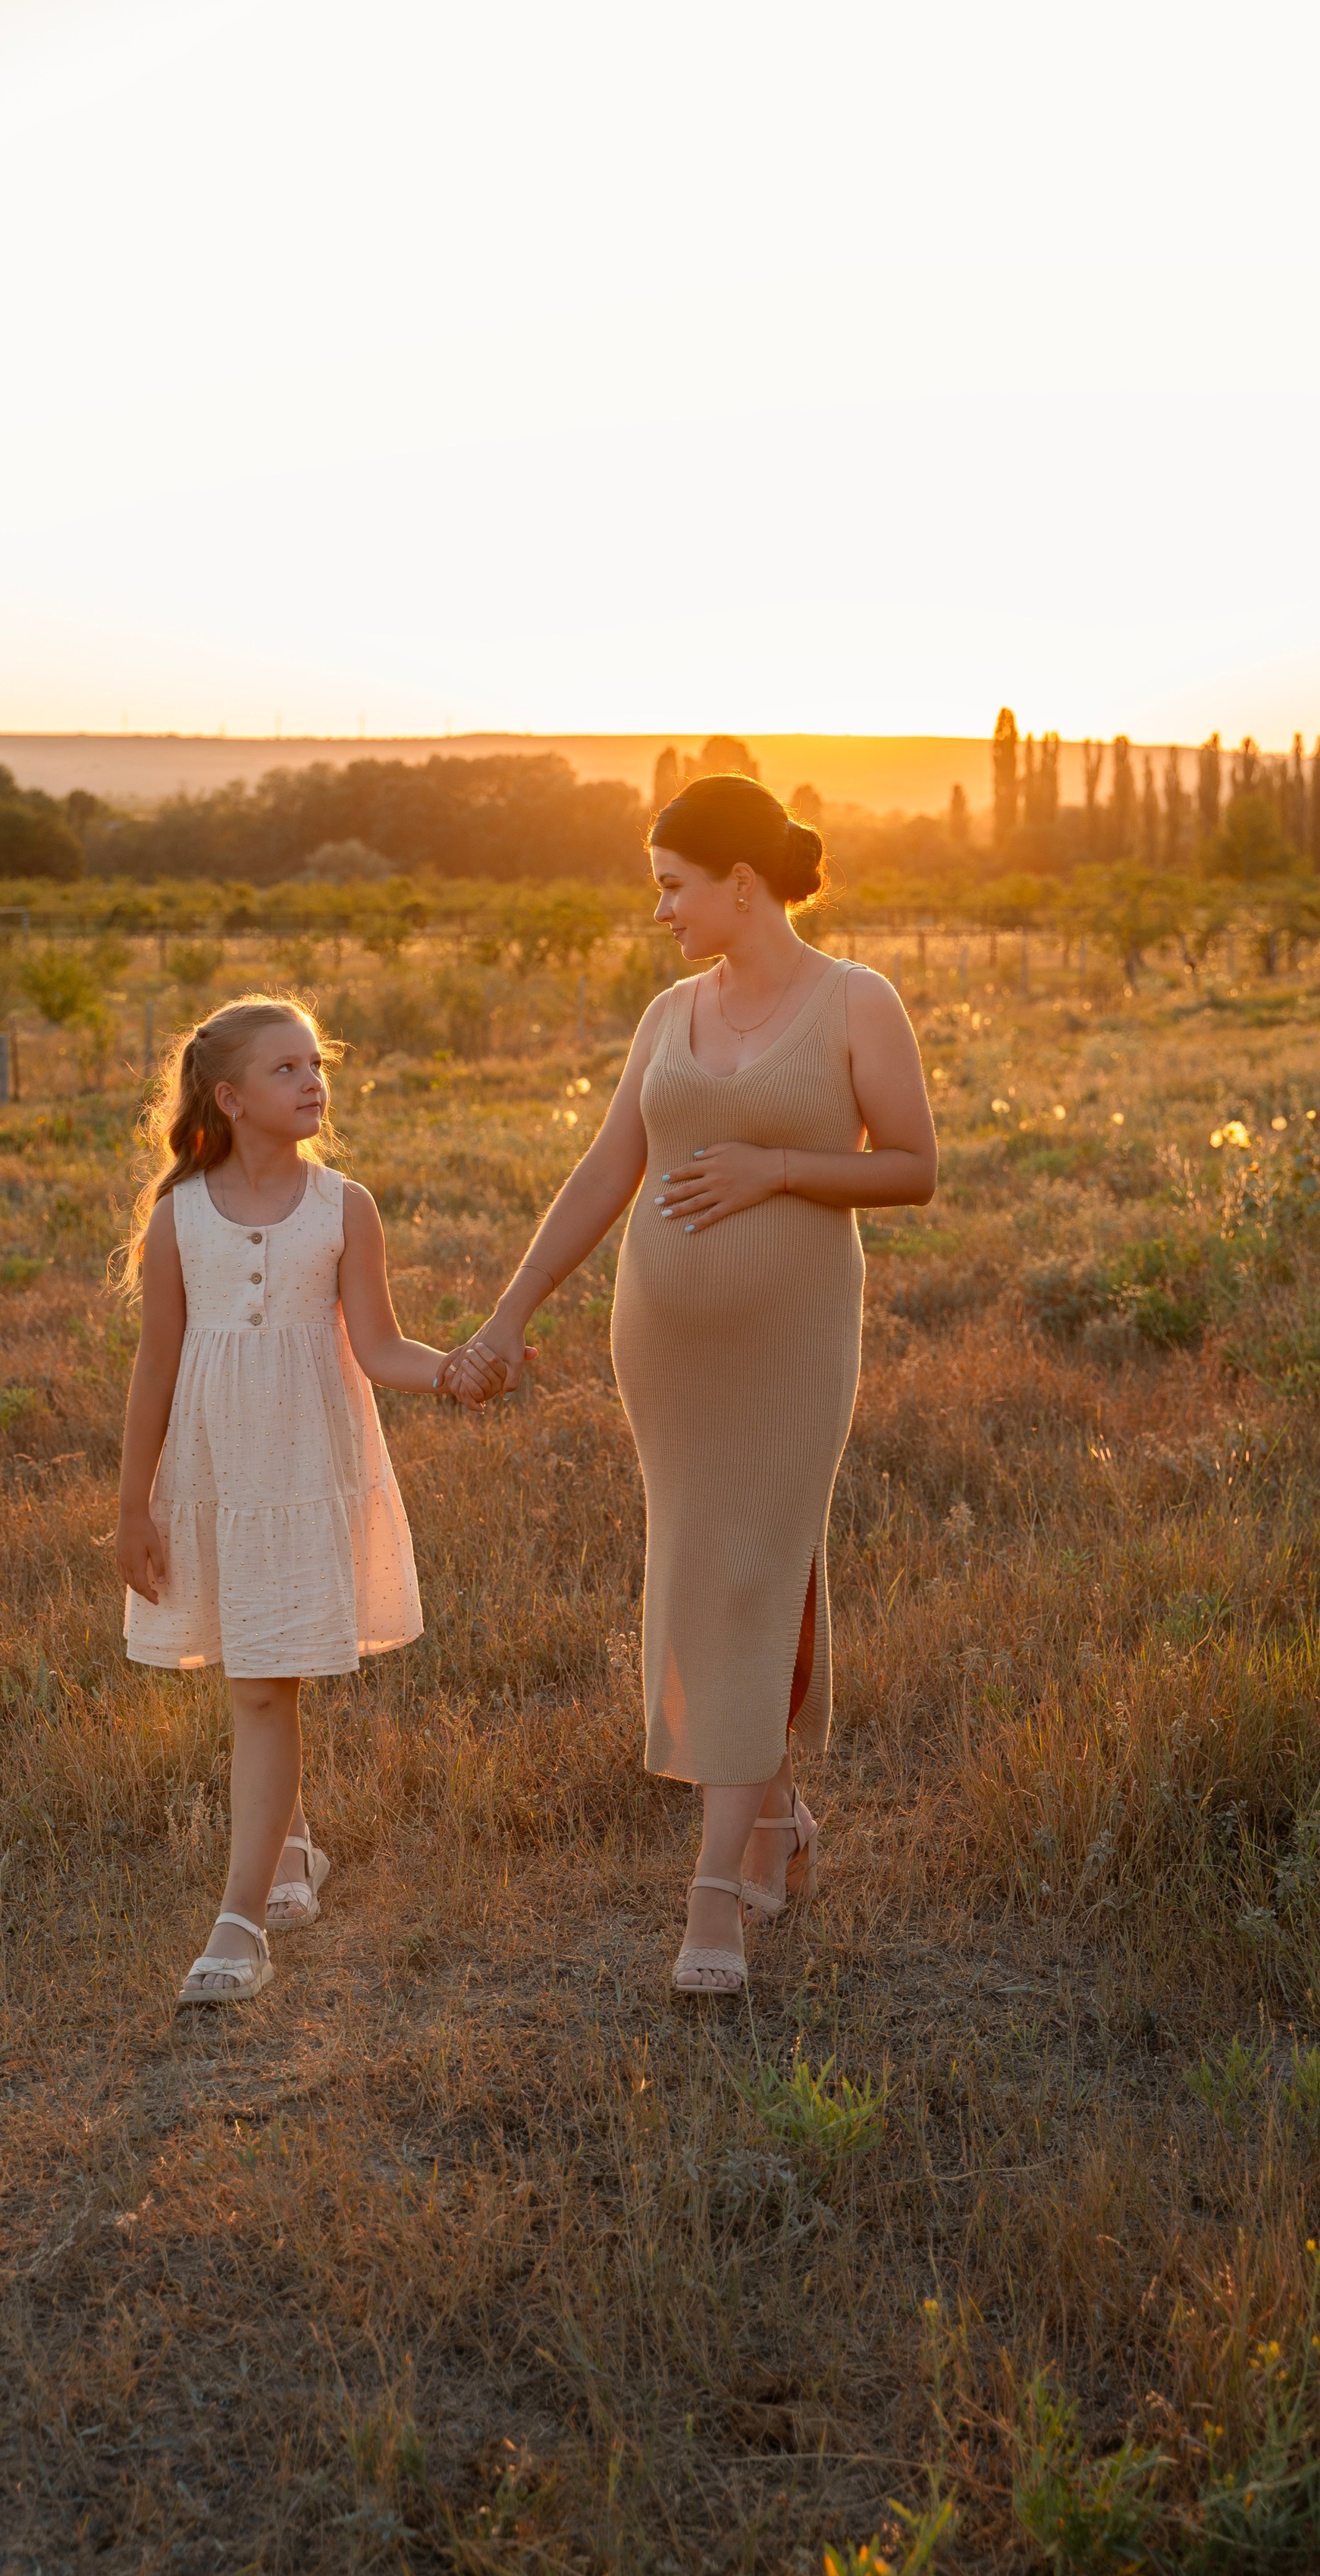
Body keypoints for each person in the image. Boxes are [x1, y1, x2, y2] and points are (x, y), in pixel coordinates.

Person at [448, 773, 937, 1997]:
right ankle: (775, 1822)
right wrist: (511, 1312)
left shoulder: (856, 1000)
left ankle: (713, 1893)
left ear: (742, 883)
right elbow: (609, 1166)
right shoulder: (669, 1012)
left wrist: (777, 1167)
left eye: (672, 888)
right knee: (704, 1572)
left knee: (755, 1570)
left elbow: (917, 1168)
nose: (659, 912)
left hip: (790, 1347)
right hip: (664, 1350)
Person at [114, 996, 475, 2009]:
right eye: (286, 1070)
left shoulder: (342, 1206)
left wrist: (456, 1371)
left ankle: (238, 1926)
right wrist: (132, 1506)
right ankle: (291, 1851)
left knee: (269, 1683)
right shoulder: (180, 1217)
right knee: (255, 1671)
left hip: (308, 1467)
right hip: (217, 1473)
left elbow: (381, 1346)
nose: (312, 1082)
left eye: (316, 1064)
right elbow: (155, 1368)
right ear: (228, 1098)